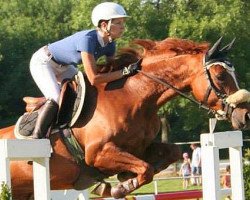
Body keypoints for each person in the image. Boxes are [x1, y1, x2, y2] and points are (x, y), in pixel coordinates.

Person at [20, 2, 138, 139]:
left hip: (64, 66)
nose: (123, 27)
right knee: (56, 97)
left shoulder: (110, 44)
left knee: (85, 91)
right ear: (105, 25)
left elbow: (109, 71)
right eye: (118, 23)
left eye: (123, 23)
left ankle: (67, 127)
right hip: (43, 62)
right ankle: (36, 137)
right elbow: (94, 78)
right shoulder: (87, 40)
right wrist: (124, 72)